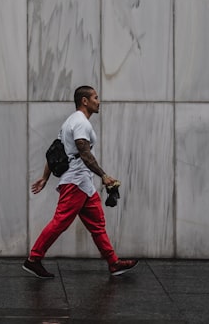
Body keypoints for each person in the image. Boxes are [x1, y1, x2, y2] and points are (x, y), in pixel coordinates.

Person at [23, 85, 138, 278]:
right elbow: (84, 154)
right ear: (84, 101)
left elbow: (55, 152)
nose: (98, 101)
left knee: (97, 223)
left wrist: (45, 177)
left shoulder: (70, 122)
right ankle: (33, 259)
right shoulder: (80, 123)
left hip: (84, 183)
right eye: (95, 97)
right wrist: (103, 175)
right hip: (76, 182)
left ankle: (114, 263)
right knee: (60, 222)